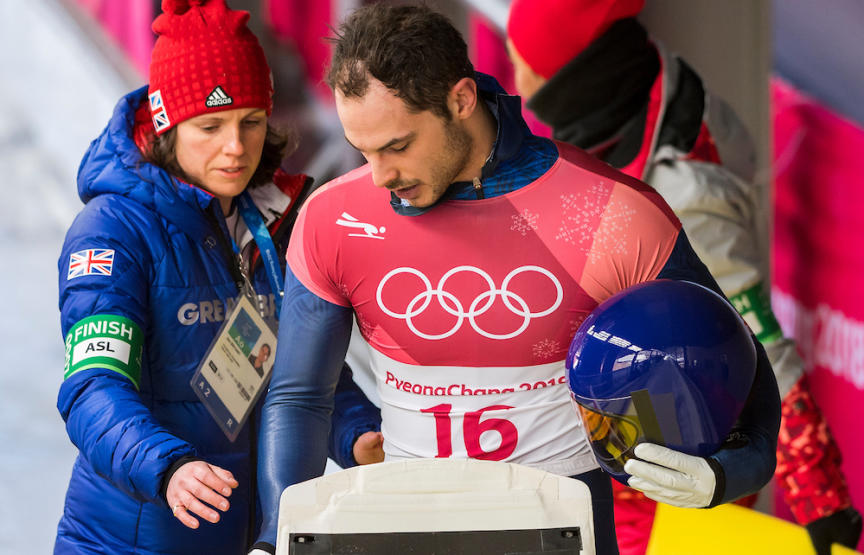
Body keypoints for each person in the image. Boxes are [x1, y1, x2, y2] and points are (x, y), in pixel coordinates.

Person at [254, 4, 781, 554]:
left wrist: (724, 472)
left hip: (559, 529)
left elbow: (743, 369)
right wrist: (274, 542)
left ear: (460, 100)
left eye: (398, 145)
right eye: (364, 151)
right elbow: (298, 397)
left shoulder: (611, 211)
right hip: (403, 527)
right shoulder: (334, 216)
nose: (381, 177)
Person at [504, 1, 863, 553]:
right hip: (616, 428)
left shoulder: (684, 196)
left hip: (667, 472)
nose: (518, 83)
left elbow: (755, 337)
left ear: (576, 79)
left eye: (527, 65)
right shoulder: (642, 100)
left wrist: (820, 495)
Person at [54, 1, 381, 553]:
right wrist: (168, 467)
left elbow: (298, 367)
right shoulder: (111, 231)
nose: (236, 147)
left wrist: (357, 434)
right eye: (210, 126)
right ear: (165, 125)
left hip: (246, 533)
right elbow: (92, 388)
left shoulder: (274, 215)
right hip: (132, 538)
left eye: (251, 122)